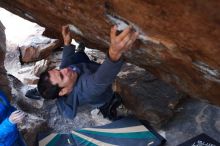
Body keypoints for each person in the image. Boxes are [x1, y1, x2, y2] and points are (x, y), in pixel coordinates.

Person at [37, 25, 138, 120]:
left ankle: (81, 52)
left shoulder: (66, 77)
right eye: (62, 76)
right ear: (63, 91)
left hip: (88, 68)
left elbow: (65, 63)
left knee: (74, 63)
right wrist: (114, 54)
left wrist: (67, 43)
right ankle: (108, 107)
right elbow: (100, 79)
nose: (65, 70)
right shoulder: (85, 90)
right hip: (103, 94)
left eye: (58, 70)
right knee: (104, 96)